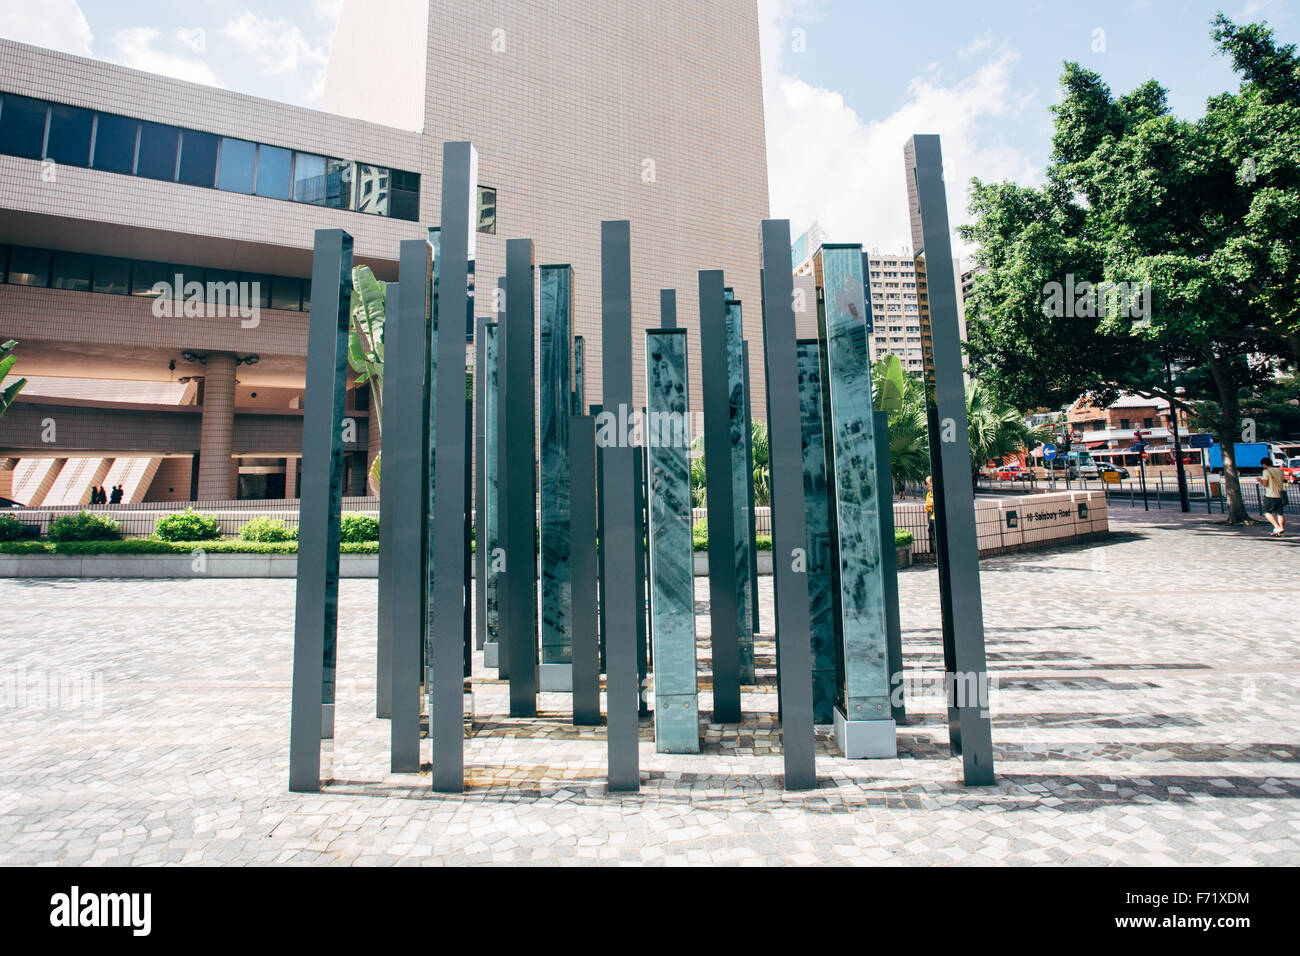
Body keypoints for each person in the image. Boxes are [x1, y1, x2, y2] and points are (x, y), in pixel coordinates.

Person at [1258, 456, 1287, 536]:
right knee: (1280, 513)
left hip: (1270, 495)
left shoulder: (1266, 472)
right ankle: (1281, 530)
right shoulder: (1280, 471)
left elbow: (1265, 484)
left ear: (1264, 465)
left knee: (1266, 512)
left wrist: (1260, 480)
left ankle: (1277, 527)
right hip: (1280, 495)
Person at [924, 475, 935, 551]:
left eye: (930, 486)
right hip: (932, 518)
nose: (929, 488)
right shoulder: (928, 494)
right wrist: (927, 506)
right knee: (935, 538)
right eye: (928, 487)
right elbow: (928, 508)